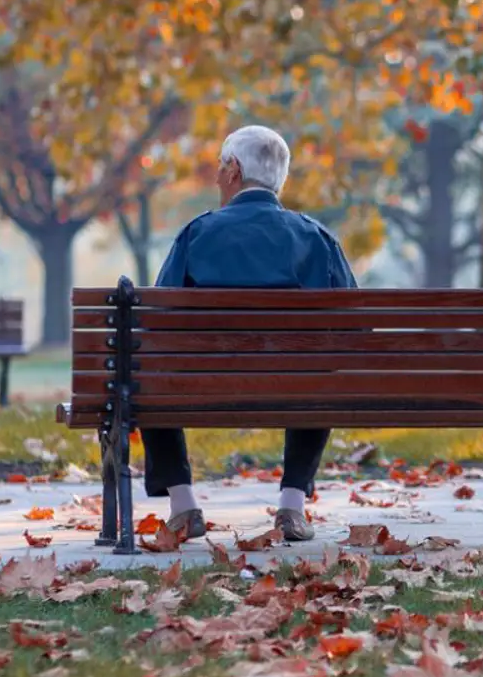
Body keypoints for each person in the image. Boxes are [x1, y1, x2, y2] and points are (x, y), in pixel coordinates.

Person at [140, 124, 358, 542]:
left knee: (145, 376)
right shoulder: (316, 238)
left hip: (201, 388)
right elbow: (355, 331)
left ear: (234, 170)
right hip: (297, 387)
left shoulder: (197, 233)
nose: (217, 177)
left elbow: (157, 323)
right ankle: (292, 507)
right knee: (319, 373)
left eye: (221, 168)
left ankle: (183, 506)